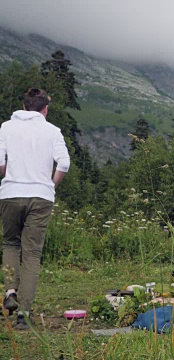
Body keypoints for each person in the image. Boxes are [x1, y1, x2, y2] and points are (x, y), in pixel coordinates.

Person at [1, 88, 70, 330]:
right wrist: (50, 184)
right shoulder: (52, 131)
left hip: (10, 193)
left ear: (24, 105)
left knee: (11, 243)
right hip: (41, 196)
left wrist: (10, 176)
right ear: (45, 109)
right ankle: (25, 315)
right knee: (32, 253)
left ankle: (10, 291)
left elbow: (0, 163)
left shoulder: (6, 127)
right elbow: (64, 162)